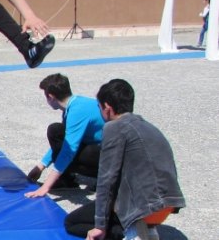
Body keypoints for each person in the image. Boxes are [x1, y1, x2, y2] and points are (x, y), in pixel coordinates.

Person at [64, 79, 185, 240]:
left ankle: (130, 232)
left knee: (72, 222)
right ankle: (145, 229)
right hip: (167, 205)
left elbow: (106, 180)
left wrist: (100, 226)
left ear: (107, 108)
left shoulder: (114, 127)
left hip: (144, 209)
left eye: (99, 108)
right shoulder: (147, 126)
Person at [25, 73, 104, 197]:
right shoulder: (75, 104)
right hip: (99, 145)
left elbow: (68, 150)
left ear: (50, 97)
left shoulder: (76, 112)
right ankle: (65, 179)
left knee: (59, 138)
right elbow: (66, 141)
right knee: (57, 131)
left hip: (109, 153)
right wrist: (41, 166)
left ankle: (106, 176)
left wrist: (45, 187)